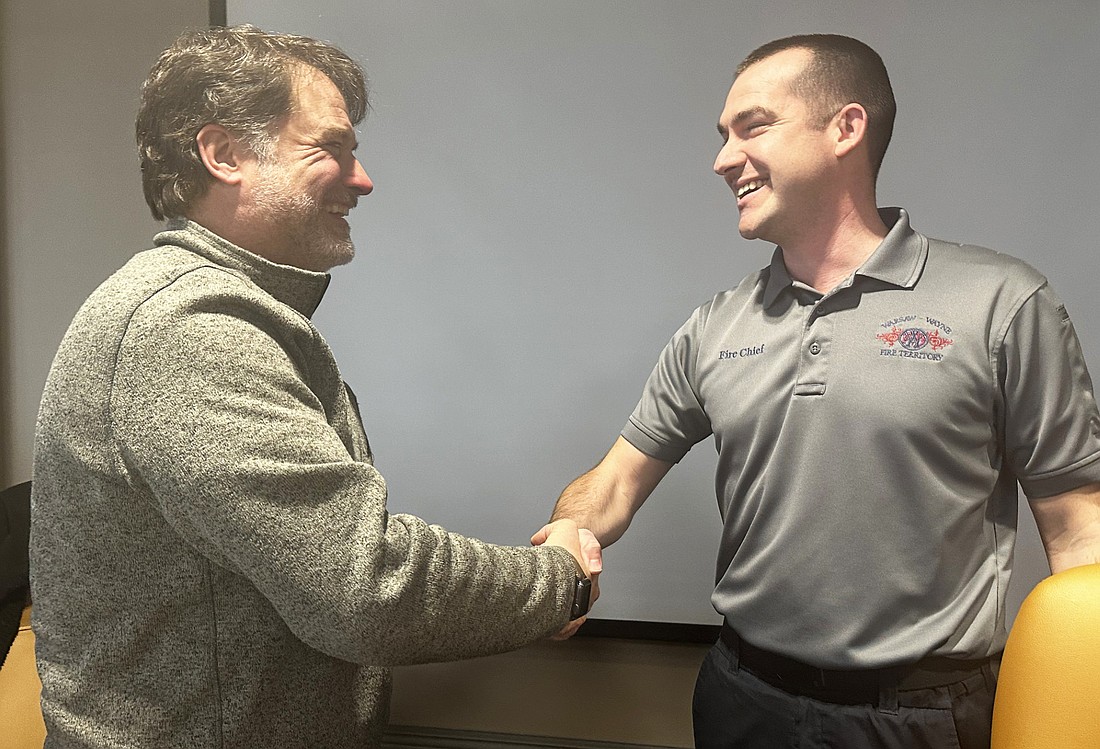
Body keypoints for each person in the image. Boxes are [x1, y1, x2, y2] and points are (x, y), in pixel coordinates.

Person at [30, 25, 599, 748]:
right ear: (224, 153)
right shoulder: (188, 327)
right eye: (331, 147)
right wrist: (558, 582)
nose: (361, 179)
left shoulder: (206, 308)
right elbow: (365, 589)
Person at [550, 33, 1100, 749]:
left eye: (753, 127)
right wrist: (569, 529)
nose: (722, 159)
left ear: (846, 128)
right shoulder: (715, 326)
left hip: (922, 718)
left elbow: (1080, 528)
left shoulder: (1003, 303)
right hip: (741, 699)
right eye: (723, 136)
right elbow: (615, 482)